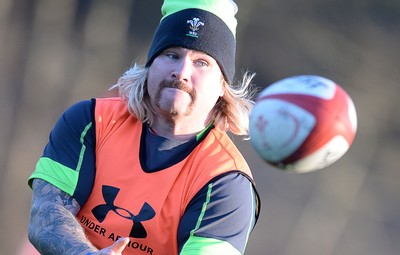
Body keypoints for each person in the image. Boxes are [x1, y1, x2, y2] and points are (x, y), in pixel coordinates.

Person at [27, 0, 260, 254]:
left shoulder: (226, 182)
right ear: (150, 67)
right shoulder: (90, 121)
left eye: (201, 62)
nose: (181, 72)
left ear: (222, 86)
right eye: (172, 55)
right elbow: (45, 218)